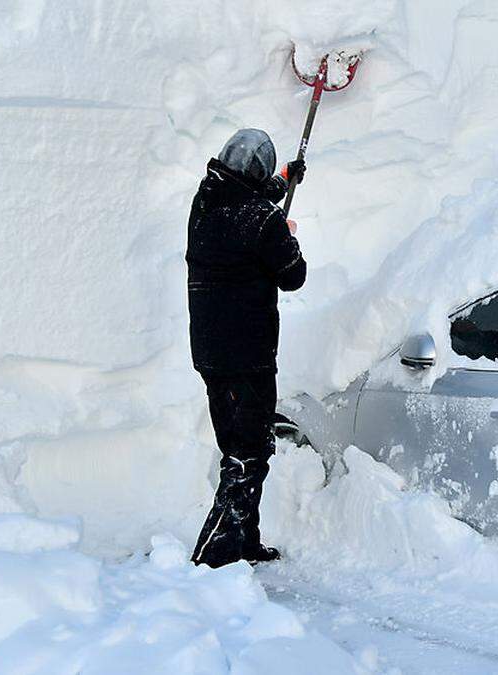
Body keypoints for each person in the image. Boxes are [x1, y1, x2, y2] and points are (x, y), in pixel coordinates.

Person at [186, 128, 307, 568]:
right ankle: (212, 557)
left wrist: (284, 180)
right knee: (248, 456)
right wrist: (287, 237)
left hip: (211, 353)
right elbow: (294, 274)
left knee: (239, 448)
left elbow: (247, 204)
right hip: (249, 356)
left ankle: (244, 543)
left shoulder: (206, 202)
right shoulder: (262, 221)